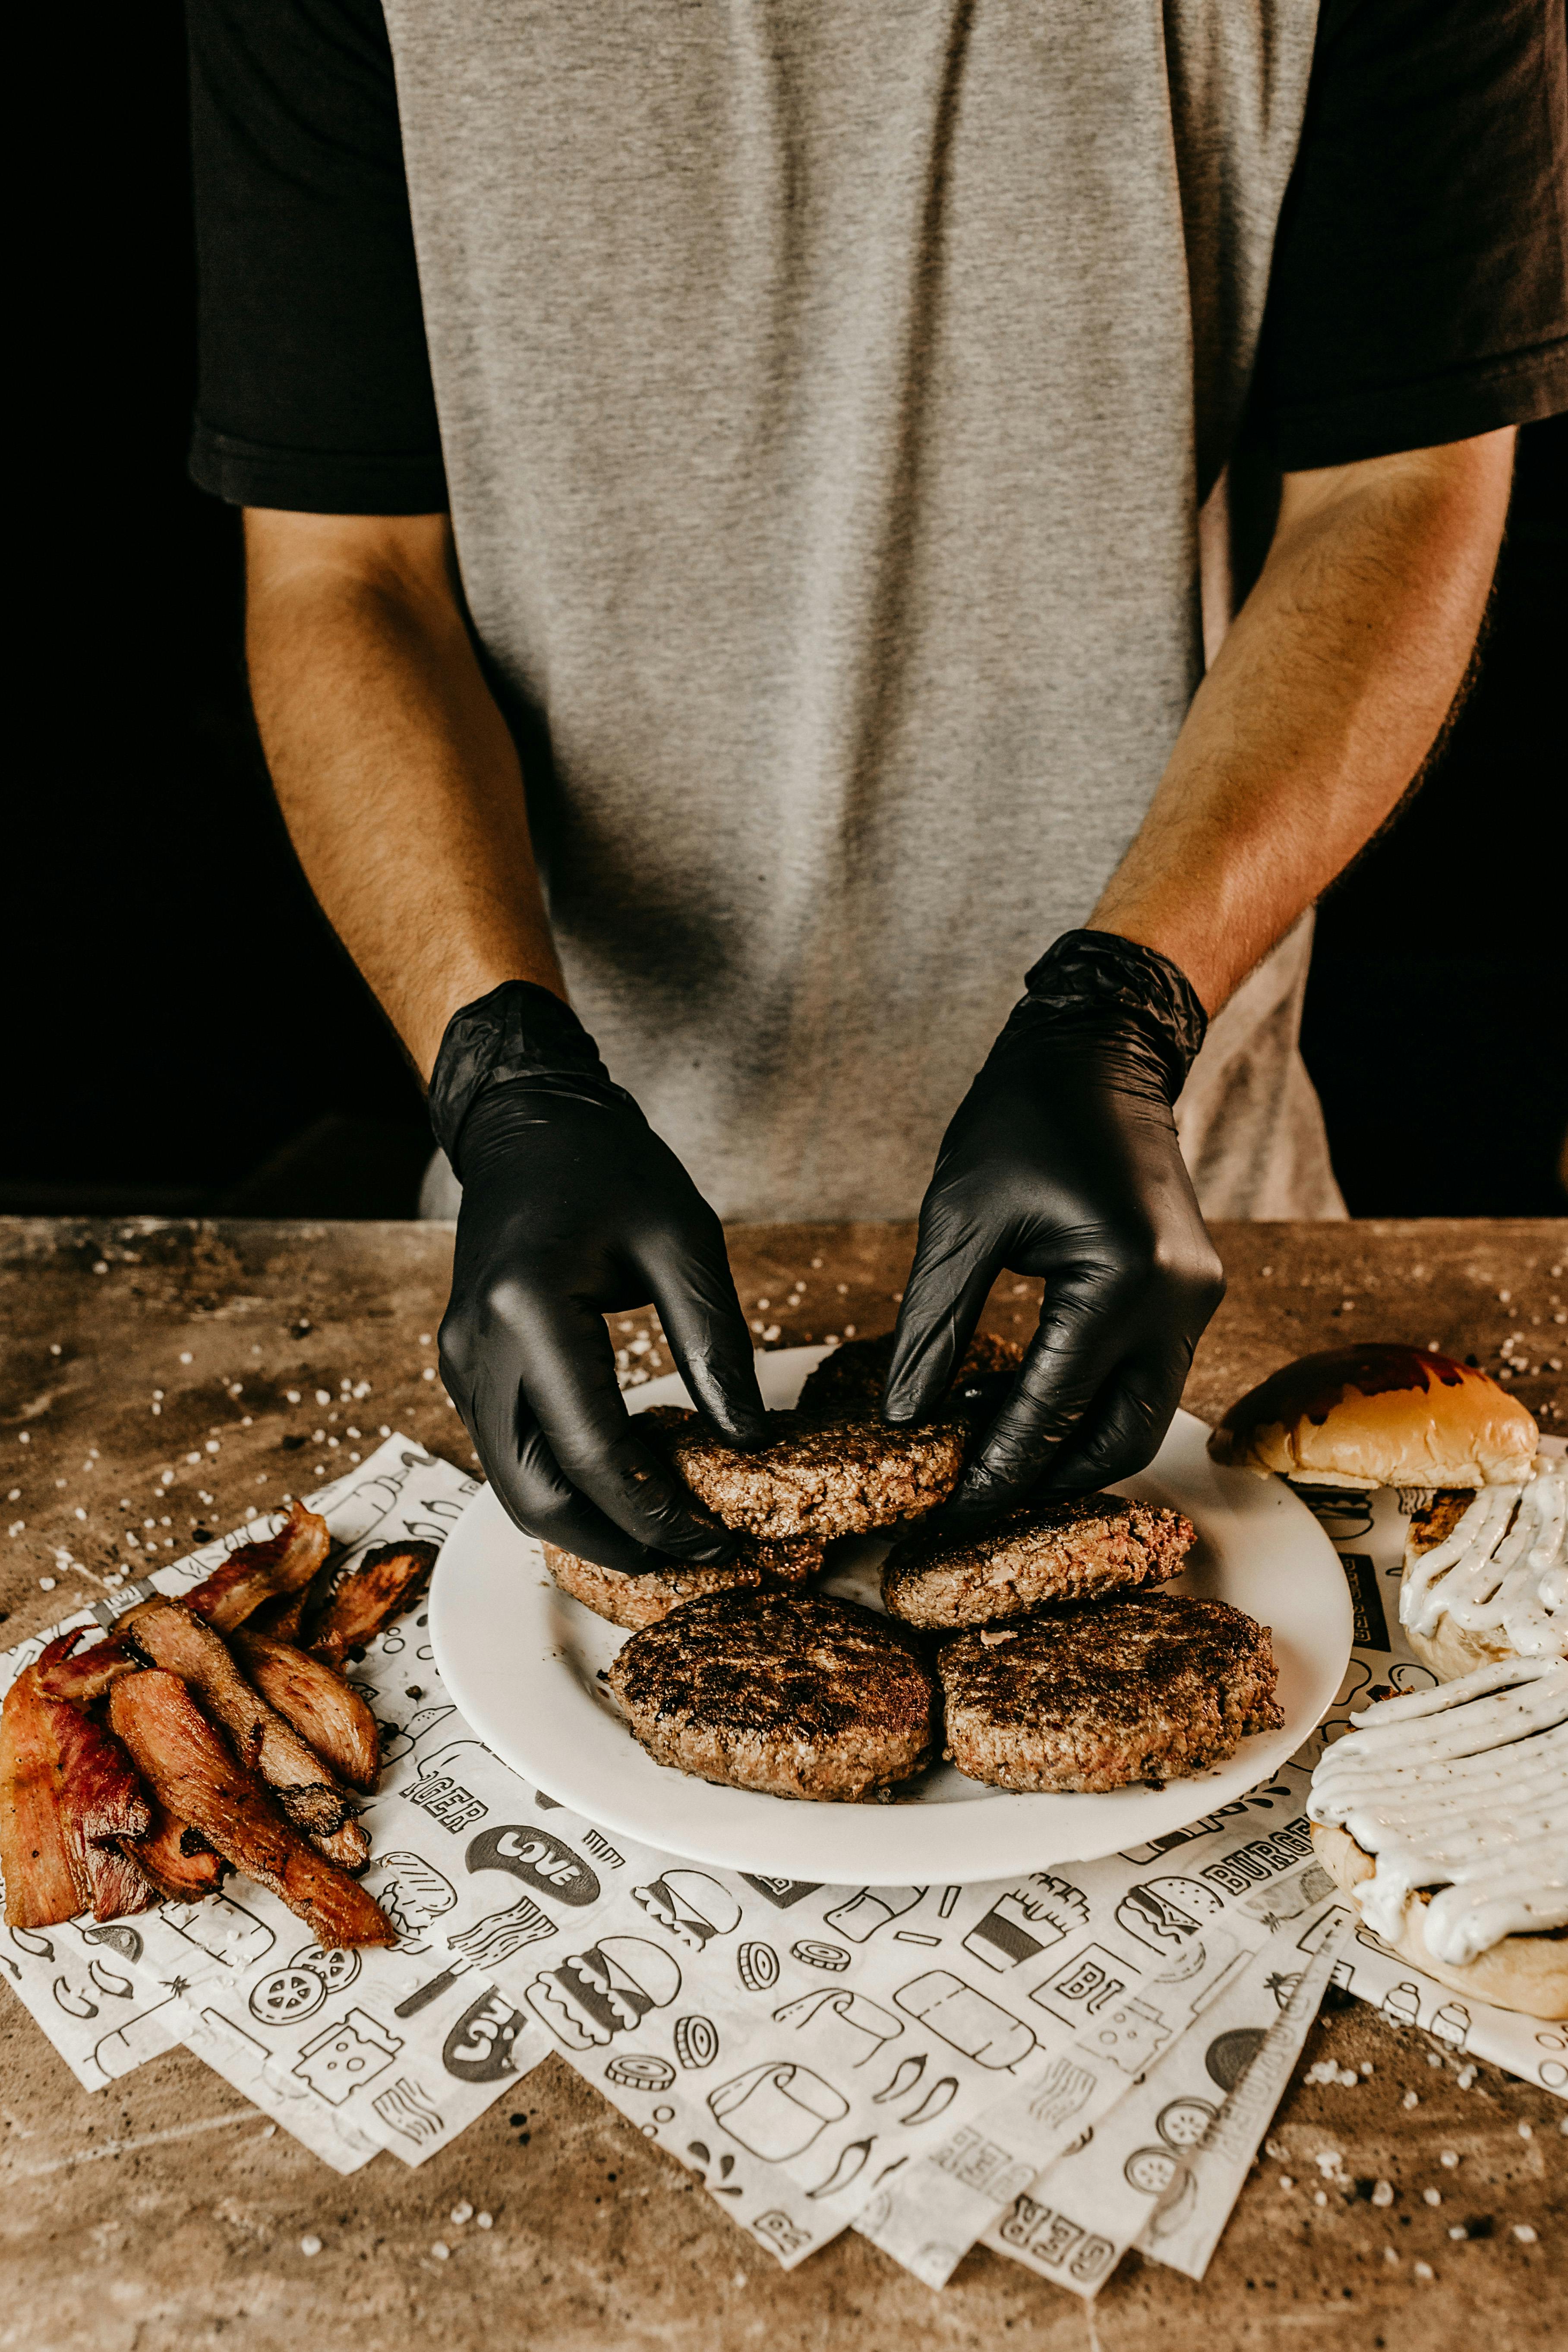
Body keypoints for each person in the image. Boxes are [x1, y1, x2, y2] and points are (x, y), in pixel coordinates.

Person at [189, 1, 1568, 1574]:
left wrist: (1130, 1013)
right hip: (566, 1299)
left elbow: (1398, 487)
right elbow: (345, 568)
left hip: (1177, 1238)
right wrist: (499, 1076)